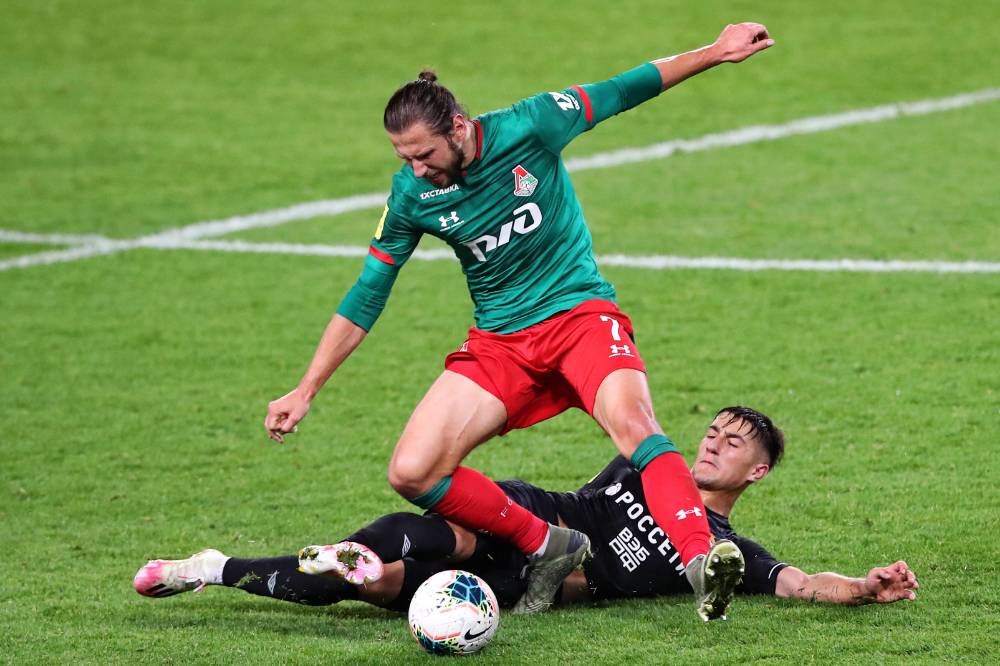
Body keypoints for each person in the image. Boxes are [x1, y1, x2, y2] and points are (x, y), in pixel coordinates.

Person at [263, 23, 777, 618]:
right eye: (404, 158)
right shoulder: (411, 196)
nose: (417, 169)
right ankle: (548, 543)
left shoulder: (531, 125)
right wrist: (307, 387)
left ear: (459, 128)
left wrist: (715, 52)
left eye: (425, 155)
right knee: (412, 471)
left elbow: (623, 89)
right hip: (501, 342)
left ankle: (699, 560)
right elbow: (368, 292)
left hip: (579, 317)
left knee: (636, 427)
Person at [137, 407, 919, 613]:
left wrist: (863, 587)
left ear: (759, 470)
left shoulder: (723, 550)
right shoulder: (648, 464)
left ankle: (213, 567)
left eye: (734, 442)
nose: (713, 443)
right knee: (396, 547)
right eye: (712, 431)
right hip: (522, 518)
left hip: (525, 583)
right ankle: (229, 566)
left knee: (366, 586)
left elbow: (802, 584)